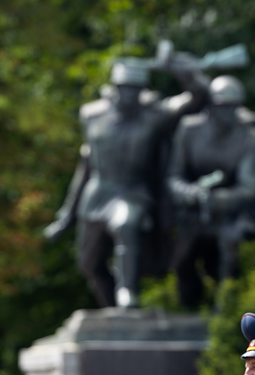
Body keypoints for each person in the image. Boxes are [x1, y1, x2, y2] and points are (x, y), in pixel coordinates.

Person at [44, 59, 208, 308]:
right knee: (89, 264)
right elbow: (86, 166)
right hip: (97, 192)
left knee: (126, 224)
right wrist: (66, 217)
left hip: (133, 191)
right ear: (115, 87)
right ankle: (113, 310)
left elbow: (199, 96)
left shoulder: (155, 115)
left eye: (135, 88)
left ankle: (127, 289)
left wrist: (177, 66)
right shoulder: (91, 114)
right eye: (125, 87)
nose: (130, 94)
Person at [167, 76, 255, 307]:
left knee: (228, 247)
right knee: (181, 260)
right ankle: (189, 307)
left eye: (233, 107)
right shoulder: (189, 129)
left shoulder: (252, 138)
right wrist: (190, 193)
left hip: (233, 214)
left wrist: (217, 200)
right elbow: (174, 177)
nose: (227, 113)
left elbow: (248, 187)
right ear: (211, 105)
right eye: (222, 106)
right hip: (192, 212)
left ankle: (225, 309)